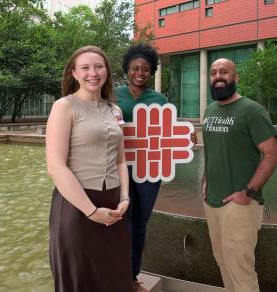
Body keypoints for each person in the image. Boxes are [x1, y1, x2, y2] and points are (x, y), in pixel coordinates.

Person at [46, 46, 132, 292]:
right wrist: (92, 211)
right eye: (85, 67)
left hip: (114, 206)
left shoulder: (114, 110)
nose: (92, 73)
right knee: (80, 279)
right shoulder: (64, 107)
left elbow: (120, 160)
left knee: (114, 275)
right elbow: (56, 167)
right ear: (74, 73)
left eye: (99, 66)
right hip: (77, 206)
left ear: (107, 71)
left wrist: (125, 197)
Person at [201, 58, 277, 292]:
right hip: (212, 200)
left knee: (241, 269)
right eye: (214, 72)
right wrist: (206, 179)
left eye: (224, 72)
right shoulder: (210, 110)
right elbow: (213, 150)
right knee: (223, 261)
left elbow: (272, 155)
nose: (218, 77)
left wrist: (247, 192)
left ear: (236, 78)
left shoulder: (252, 110)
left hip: (240, 204)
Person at [115, 43, 167, 292]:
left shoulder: (159, 99)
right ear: (127, 70)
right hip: (118, 168)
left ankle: (133, 276)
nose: (140, 73)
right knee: (119, 221)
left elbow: (168, 131)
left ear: (151, 71)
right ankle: (115, 273)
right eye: (135, 68)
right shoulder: (112, 95)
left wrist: (185, 138)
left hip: (148, 171)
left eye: (145, 69)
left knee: (139, 223)